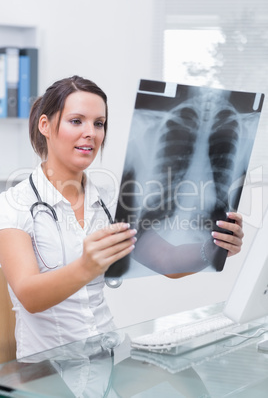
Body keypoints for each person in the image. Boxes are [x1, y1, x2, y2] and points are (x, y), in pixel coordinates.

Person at [0, 76, 243, 360]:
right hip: (47, 370)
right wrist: (86, 266)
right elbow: (29, 296)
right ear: (45, 126)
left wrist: (215, 248)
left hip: (109, 355)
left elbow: (167, 259)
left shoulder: (108, 199)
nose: (90, 132)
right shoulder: (13, 204)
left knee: (188, 377)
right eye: (76, 121)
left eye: (99, 123)